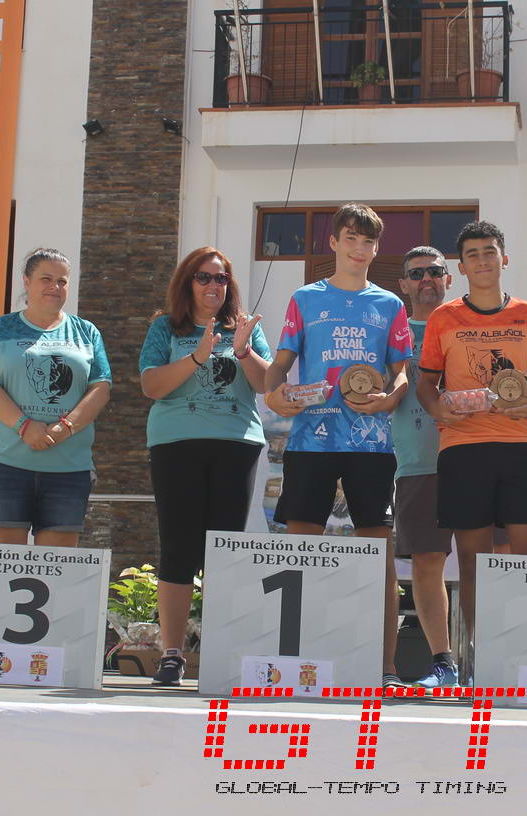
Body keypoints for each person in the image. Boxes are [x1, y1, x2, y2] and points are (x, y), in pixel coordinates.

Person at [264, 203, 412, 688]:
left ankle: (385, 667)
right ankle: (294, 660)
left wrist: (390, 398)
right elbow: (280, 364)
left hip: (371, 443)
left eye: (368, 241)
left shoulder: (389, 305)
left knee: (379, 556)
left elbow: (401, 372)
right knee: (300, 550)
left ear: (377, 248)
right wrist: (274, 392)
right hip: (312, 439)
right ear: (333, 242)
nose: (359, 249)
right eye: (351, 238)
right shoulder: (305, 298)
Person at [416, 221, 527, 642]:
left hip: (520, 445)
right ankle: (481, 655)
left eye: (489, 251)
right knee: (474, 565)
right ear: (461, 267)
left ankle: (526, 652)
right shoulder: (443, 318)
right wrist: (440, 410)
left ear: (504, 259)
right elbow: (426, 385)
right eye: (472, 254)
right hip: (463, 448)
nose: (482, 260)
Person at [140, 247, 272, 685]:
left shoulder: (246, 327)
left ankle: (220, 652)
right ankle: (172, 654)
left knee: (224, 551)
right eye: (203, 277)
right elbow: (151, 385)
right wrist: (197, 356)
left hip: (236, 445)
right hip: (176, 444)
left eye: (221, 278)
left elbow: (267, 385)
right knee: (178, 548)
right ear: (187, 282)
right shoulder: (165, 327)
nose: (213, 285)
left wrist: (243, 351)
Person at [0, 248, 112, 548]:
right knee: (4, 563)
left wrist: (66, 428)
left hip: (68, 467)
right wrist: (23, 426)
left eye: (62, 281)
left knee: (57, 567)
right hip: (3, 462)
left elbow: (101, 388)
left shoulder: (86, 332)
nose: (54, 287)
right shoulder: (1, 328)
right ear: (27, 281)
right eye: (46, 279)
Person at [390, 247, 461, 688]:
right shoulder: (391, 332)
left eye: (435, 271)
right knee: (428, 564)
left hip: (474, 455)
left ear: (449, 279)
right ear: (404, 285)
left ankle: (494, 662)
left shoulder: (469, 324)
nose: (426, 279)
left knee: (490, 562)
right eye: (416, 274)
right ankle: (444, 666)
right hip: (416, 461)